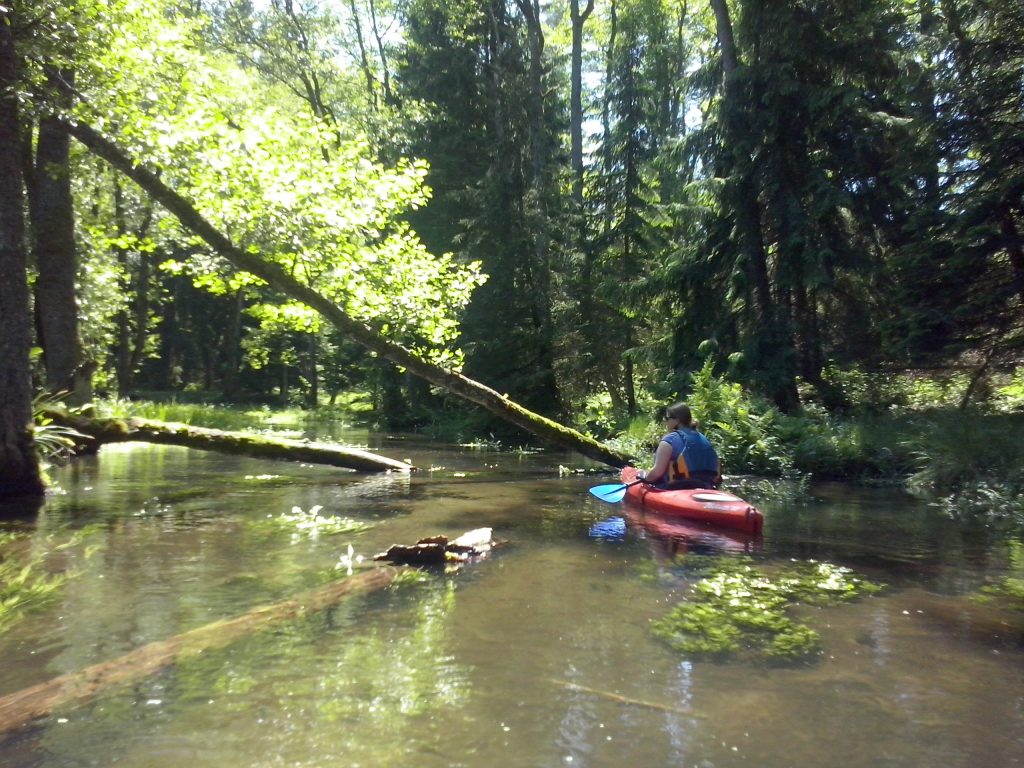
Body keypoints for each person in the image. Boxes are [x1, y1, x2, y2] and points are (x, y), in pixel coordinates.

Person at [635, 403, 721, 489]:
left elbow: (657, 472)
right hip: (706, 488)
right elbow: (717, 473)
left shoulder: (669, 440)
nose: (665, 421)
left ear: (677, 420)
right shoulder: (703, 439)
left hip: (676, 490)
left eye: (667, 418)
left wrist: (645, 479)